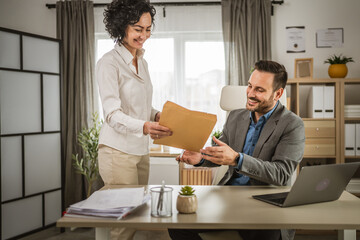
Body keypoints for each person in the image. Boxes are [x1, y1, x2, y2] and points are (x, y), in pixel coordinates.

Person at [169, 60, 305, 240]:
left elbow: (281, 173)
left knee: (266, 235)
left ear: (277, 93)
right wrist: (200, 158)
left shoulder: (292, 124)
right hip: (229, 198)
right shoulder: (235, 116)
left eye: (260, 90)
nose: (250, 93)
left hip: (265, 202)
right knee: (178, 226)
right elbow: (221, 155)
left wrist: (237, 159)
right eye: (250, 86)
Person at [96, 0, 172, 239]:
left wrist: (155, 115)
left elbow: (139, 106)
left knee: (138, 215)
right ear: (121, 27)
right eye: (138, 29)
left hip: (140, 150)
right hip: (117, 152)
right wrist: (145, 126)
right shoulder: (108, 63)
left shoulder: (143, 61)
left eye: (148, 29)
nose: (144, 35)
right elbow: (112, 113)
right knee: (124, 223)